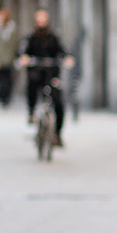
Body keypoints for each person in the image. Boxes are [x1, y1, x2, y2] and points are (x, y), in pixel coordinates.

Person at [19, 9, 74, 147]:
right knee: (31, 86)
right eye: (39, 18)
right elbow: (23, 51)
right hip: (37, 73)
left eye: (43, 17)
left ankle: (57, 134)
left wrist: (67, 58)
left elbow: (63, 50)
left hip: (52, 73)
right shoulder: (31, 36)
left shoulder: (54, 36)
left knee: (59, 103)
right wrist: (24, 58)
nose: (41, 20)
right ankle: (31, 112)